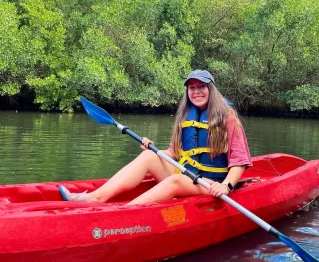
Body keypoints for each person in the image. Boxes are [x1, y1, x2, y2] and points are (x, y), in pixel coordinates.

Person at [59, 70, 252, 205]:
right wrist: (155, 150)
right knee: (149, 156)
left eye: (201, 86)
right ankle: (95, 197)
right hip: (188, 175)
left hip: (211, 183)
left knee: (174, 182)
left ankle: (123, 214)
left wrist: (226, 186)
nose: (196, 91)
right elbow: (174, 153)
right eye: (192, 87)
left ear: (211, 90)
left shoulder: (228, 118)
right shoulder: (185, 116)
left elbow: (240, 161)